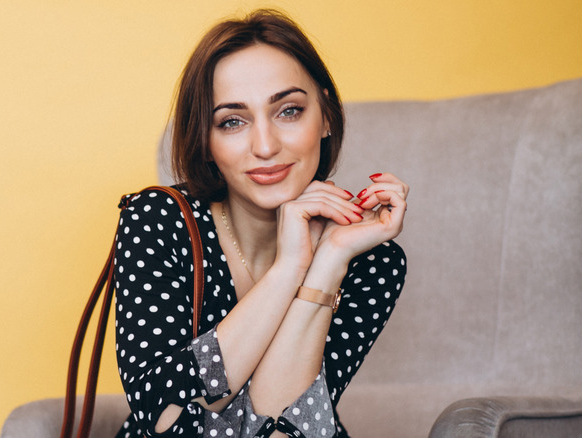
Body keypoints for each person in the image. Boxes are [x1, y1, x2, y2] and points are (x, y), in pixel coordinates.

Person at [113, 9, 408, 438]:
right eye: (232, 121)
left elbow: (285, 430)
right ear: (205, 141)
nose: (266, 146)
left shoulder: (367, 260)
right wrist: (289, 268)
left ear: (326, 115)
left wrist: (327, 262)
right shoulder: (159, 221)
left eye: (289, 111)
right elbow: (164, 419)